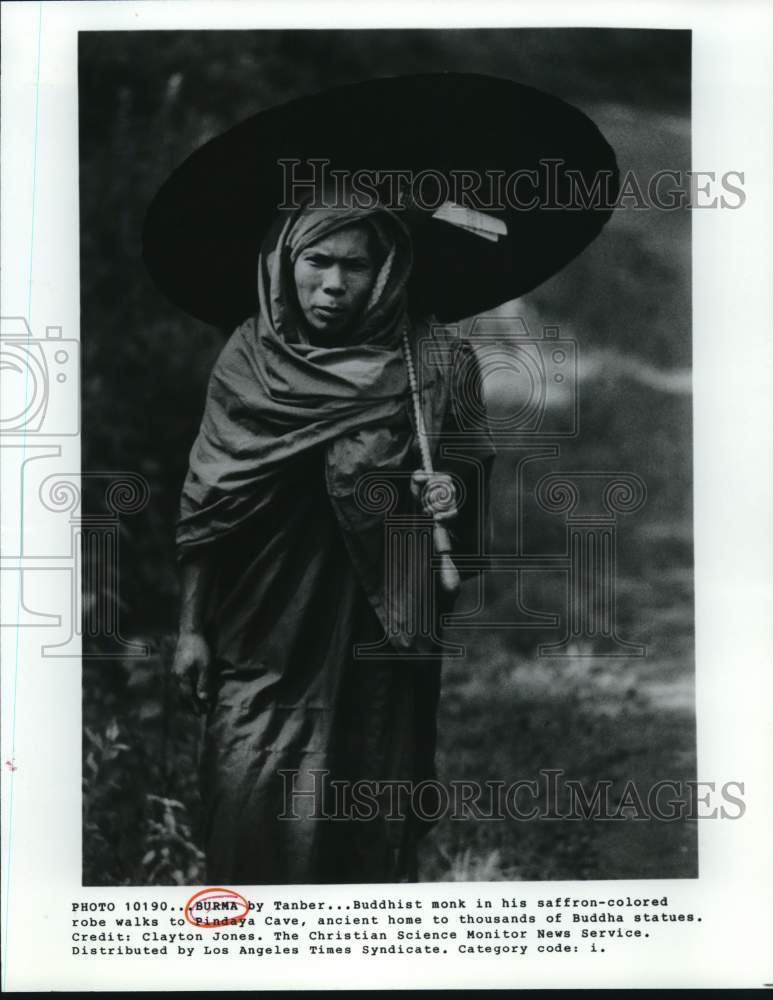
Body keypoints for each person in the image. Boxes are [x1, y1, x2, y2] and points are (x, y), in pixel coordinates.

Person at [171, 194, 495, 885]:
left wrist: (450, 496)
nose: (332, 285)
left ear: (386, 271)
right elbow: (207, 504)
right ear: (284, 263)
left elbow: (465, 509)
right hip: (260, 627)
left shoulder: (436, 360)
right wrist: (190, 627)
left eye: (356, 265)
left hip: (378, 627)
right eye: (316, 261)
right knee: (249, 783)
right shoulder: (248, 359)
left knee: (368, 785)